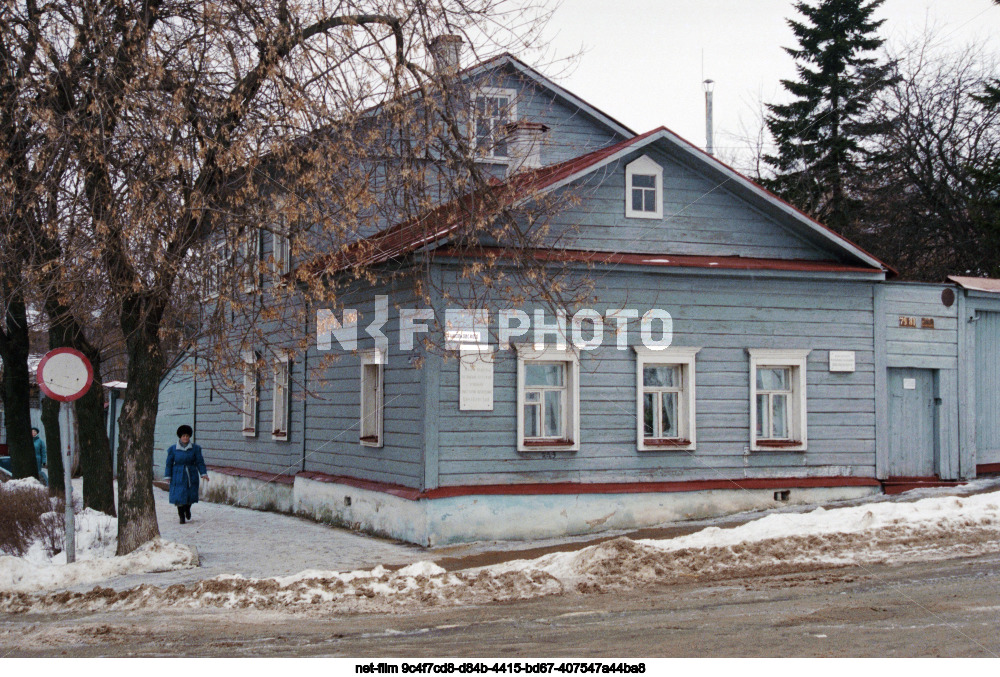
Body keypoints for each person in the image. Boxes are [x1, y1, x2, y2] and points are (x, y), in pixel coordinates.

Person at [164, 424, 209, 524]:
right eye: (183, 436)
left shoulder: (195, 449)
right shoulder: (173, 449)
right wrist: (168, 476)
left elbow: (199, 462)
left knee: (190, 495)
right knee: (179, 496)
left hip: (191, 473)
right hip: (177, 474)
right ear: (180, 437)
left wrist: (203, 473)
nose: (185, 438)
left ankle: (187, 509)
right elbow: (169, 463)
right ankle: (181, 516)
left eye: (187, 436)